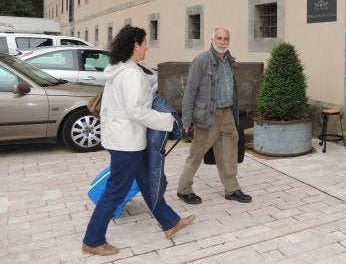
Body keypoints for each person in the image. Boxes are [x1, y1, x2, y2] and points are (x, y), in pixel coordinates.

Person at [82, 25, 195, 256]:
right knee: (115, 191)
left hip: (124, 138)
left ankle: (170, 222)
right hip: (127, 142)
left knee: (146, 182)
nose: (147, 48)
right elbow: (137, 111)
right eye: (145, 43)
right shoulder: (131, 74)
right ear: (136, 46)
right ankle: (92, 240)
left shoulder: (119, 69)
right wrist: (167, 121)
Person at [177, 27, 252, 205]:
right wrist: (186, 119)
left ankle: (232, 189)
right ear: (212, 40)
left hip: (227, 114)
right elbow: (189, 92)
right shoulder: (201, 61)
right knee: (196, 154)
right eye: (219, 38)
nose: (222, 42)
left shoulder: (229, 61)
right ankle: (183, 190)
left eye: (225, 39)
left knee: (230, 153)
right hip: (208, 116)